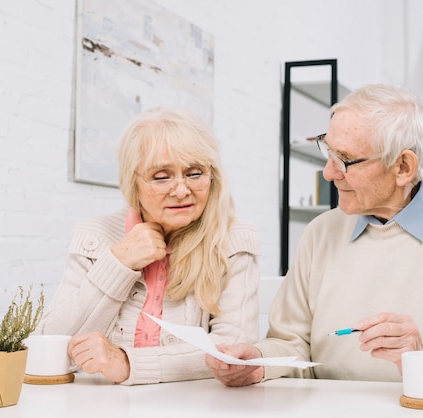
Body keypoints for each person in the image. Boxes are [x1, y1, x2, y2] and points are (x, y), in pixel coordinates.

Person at [205, 83, 423, 391]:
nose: (328, 172)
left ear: (403, 167)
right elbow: (293, 346)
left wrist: (422, 355)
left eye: (346, 160)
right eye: (328, 151)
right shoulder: (320, 233)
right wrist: (258, 362)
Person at [37, 107, 260, 385]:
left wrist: (129, 364)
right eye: (161, 176)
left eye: (194, 173)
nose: (181, 190)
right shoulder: (96, 235)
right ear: (134, 183)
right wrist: (118, 263)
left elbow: (232, 352)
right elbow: (48, 345)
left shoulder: (234, 239)